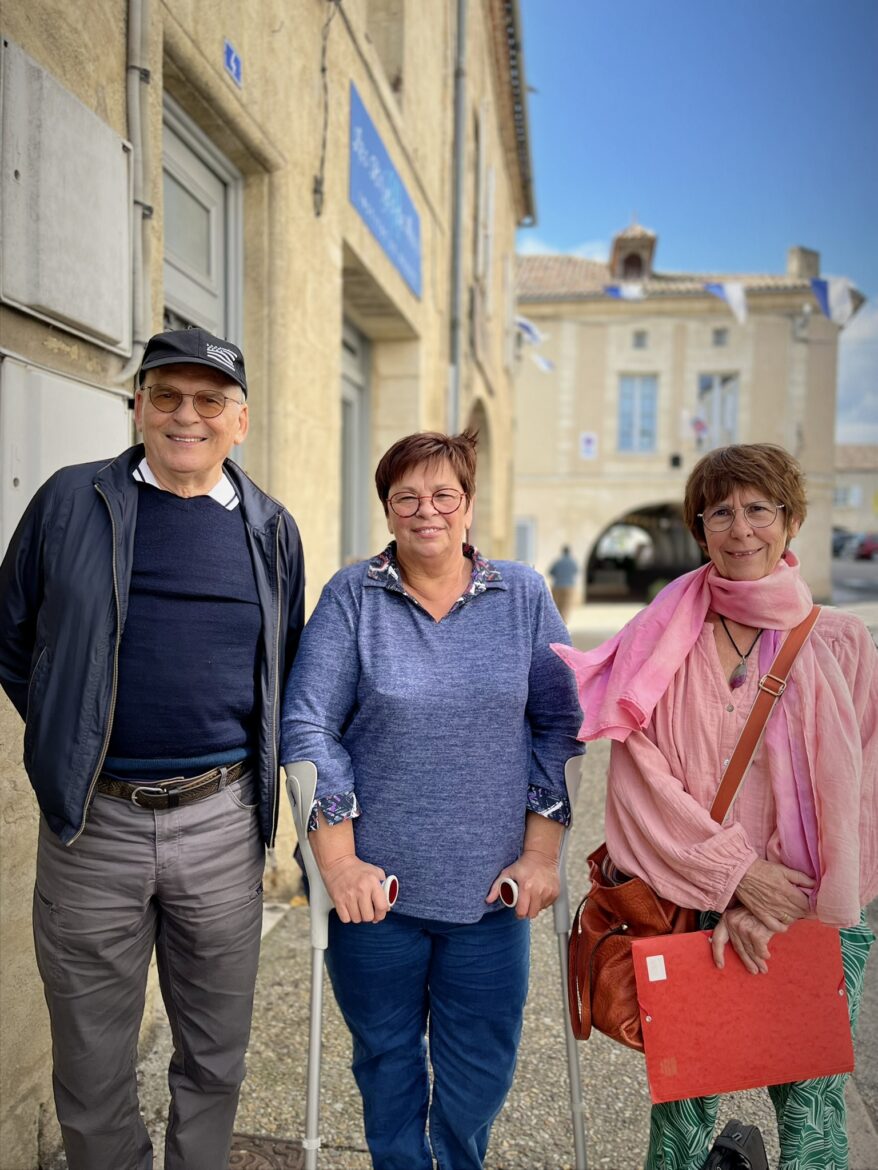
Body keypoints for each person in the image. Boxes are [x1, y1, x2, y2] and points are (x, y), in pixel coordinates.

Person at [0, 327, 305, 1170]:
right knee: (92, 1061)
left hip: (221, 821)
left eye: (210, 400)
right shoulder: (71, 502)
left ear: (239, 420)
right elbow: (15, 638)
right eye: (166, 395)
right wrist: (73, 733)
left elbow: (283, 664)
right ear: (137, 406)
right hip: (93, 825)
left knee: (215, 1052)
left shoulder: (273, 531)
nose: (187, 416)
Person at [555, 443, 877, 1170]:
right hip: (686, 906)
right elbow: (640, 779)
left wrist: (775, 900)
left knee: (813, 1116)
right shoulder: (663, 638)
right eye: (721, 511)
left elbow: (864, 798)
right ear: (701, 529)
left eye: (759, 509)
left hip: (812, 912)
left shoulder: (842, 643)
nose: (741, 529)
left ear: (789, 521)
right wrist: (734, 878)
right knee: (681, 1116)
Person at [280, 430, 583, 1170]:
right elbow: (309, 721)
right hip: (375, 894)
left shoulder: (522, 595)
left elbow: (561, 720)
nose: (426, 511)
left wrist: (542, 852)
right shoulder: (354, 596)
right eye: (406, 497)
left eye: (443, 495)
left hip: (492, 892)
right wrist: (340, 859)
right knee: (385, 1062)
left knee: (480, 1070)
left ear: (469, 505)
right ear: (387, 509)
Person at [548, 543, 579, 622]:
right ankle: (563, 622)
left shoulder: (558, 562)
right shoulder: (573, 562)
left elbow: (550, 572)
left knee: (557, 604)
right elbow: (576, 571)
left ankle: (557, 621)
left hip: (557, 585)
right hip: (569, 586)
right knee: (566, 605)